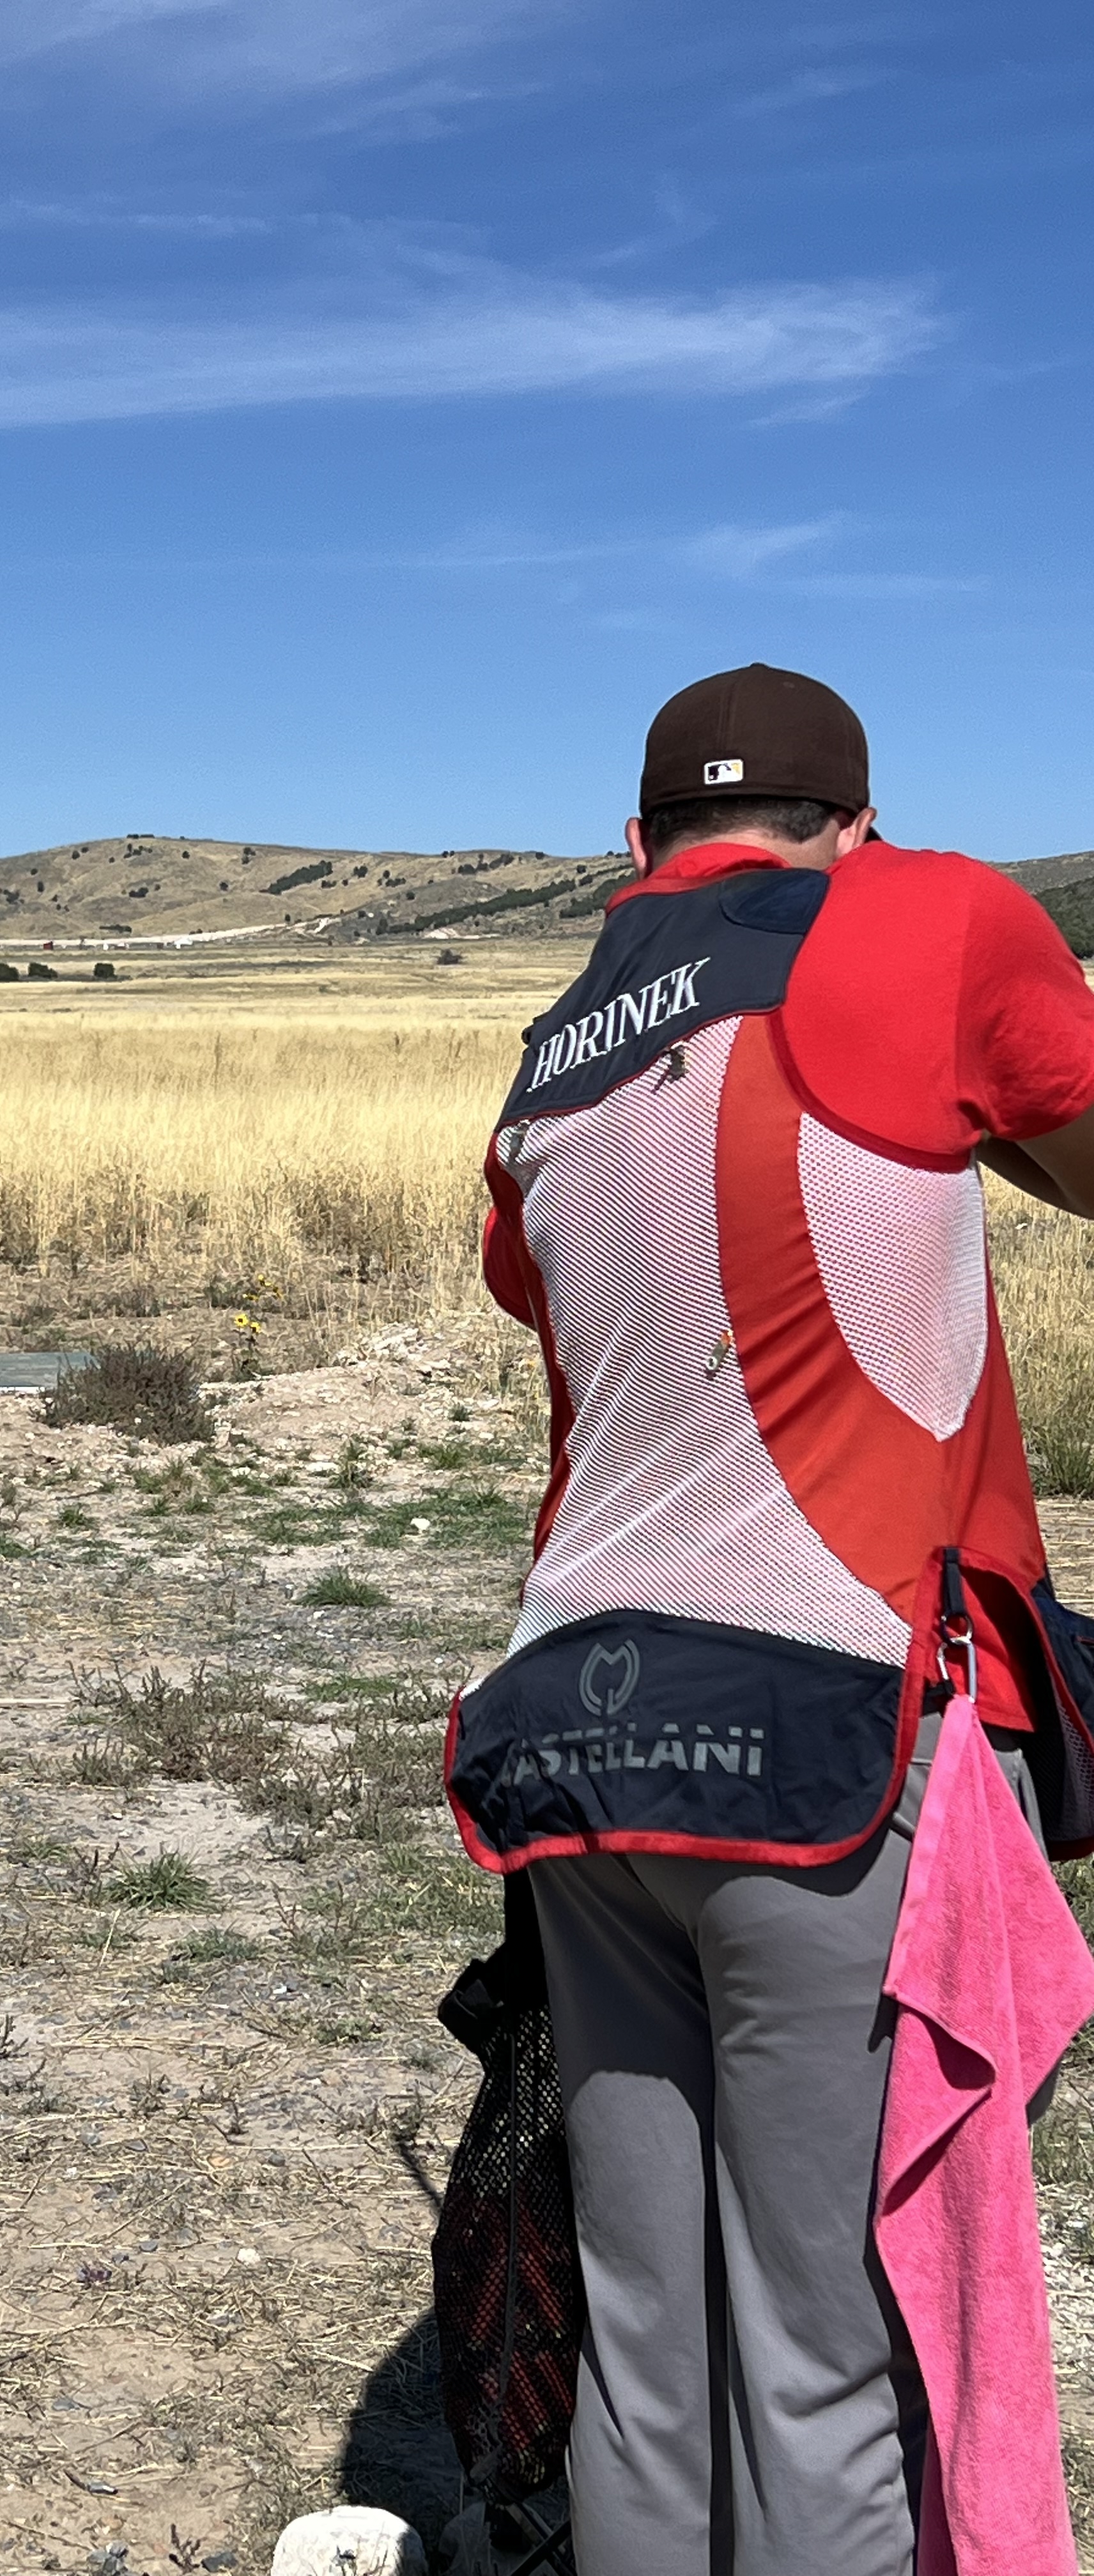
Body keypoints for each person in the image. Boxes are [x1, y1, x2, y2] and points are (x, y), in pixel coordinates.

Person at [444, 663, 1094, 2576]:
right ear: (859, 824)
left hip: (570, 1744)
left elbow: (539, 1292)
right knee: (832, 2358)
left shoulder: (559, 1038)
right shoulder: (937, 916)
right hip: (820, 1736)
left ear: (634, 846)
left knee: (654, 2358)